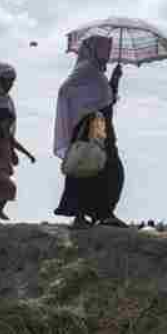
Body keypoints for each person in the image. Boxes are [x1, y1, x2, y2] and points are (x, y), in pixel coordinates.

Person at [54, 35, 128, 229]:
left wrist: (115, 79)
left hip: (101, 126)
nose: (108, 54)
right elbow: (65, 90)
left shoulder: (95, 72)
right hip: (90, 127)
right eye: (105, 49)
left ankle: (102, 213)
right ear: (95, 49)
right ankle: (89, 215)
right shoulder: (86, 70)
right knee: (88, 168)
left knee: (105, 169)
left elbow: (106, 99)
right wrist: (85, 112)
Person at [0, 61, 34, 223]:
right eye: (5, 80)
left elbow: (9, 132)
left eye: (11, 81)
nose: (9, 84)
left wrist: (12, 151)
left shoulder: (7, 100)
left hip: (2, 152)